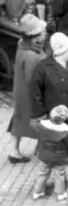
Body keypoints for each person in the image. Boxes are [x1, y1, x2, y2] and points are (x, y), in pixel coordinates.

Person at [30, 32, 68, 137]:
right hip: (54, 118)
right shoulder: (43, 67)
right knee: (57, 149)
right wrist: (40, 115)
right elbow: (35, 93)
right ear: (61, 50)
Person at [6, 14, 47, 162]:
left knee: (19, 119)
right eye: (42, 32)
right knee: (36, 121)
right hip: (29, 94)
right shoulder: (32, 56)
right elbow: (34, 80)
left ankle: (14, 151)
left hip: (20, 91)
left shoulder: (22, 46)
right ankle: (39, 150)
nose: (45, 33)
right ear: (35, 37)